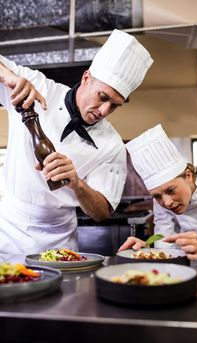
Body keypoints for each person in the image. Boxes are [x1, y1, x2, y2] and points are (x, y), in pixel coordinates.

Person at [0, 29, 153, 260]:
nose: (104, 111)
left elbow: (102, 212)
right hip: (8, 230)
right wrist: (7, 77)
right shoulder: (37, 87)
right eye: (103, 97)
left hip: (59, 240)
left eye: (114, 106)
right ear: (86, 78)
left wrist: (77, 184)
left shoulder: (111, 145)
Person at [118, 124, 197, 261]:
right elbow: (165, 249)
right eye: (157, 196)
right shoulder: (161, 202)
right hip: (195, 263)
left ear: (188, 175)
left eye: (171, 190)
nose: (167, 202)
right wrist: (148, 250)